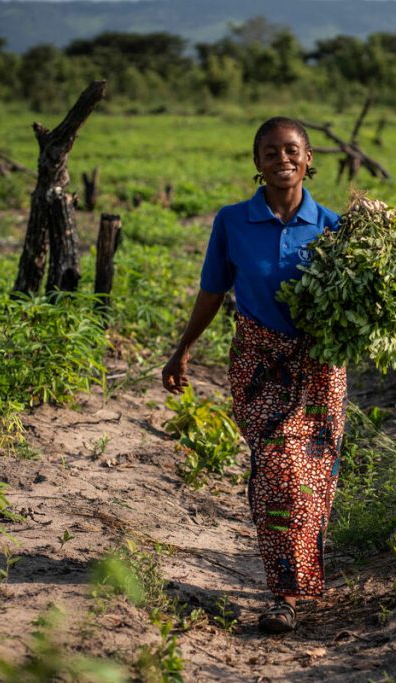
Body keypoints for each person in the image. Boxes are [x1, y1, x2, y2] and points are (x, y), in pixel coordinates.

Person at [162, 116, 346, 634]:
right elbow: (213, 291)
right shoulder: (232, 222)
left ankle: (289, 588)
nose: (281, 159)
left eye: (292, 150)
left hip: (318, 369)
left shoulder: (333, 229)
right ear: (256, 163)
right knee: (280, 470)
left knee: (311, 478)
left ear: (310, 159)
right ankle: (284, 592)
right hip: (257, 365)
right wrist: (182, 352)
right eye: (270, 152)